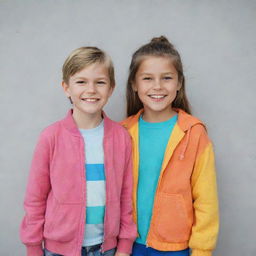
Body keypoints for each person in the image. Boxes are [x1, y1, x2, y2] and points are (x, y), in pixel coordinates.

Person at [20, 46, 137, 256]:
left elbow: (126, 196)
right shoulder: (51, 137)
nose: (91, 89)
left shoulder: (121, 138)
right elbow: (35, 199)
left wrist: (125, 245)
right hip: (58, 250)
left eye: (100, 82)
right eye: (81, 82)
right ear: (66, 88)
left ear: (111, 88)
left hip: (107, 249)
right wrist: (33, 248)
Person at [121, 36, 219, 256]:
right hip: (127, 245)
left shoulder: (194, 132)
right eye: (147, 78)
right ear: (134, 84)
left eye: (166, 78)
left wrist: (202, 250)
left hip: (175, 248)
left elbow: (206, 199)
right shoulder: (122, 133)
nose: (157, 86)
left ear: (179, 83)